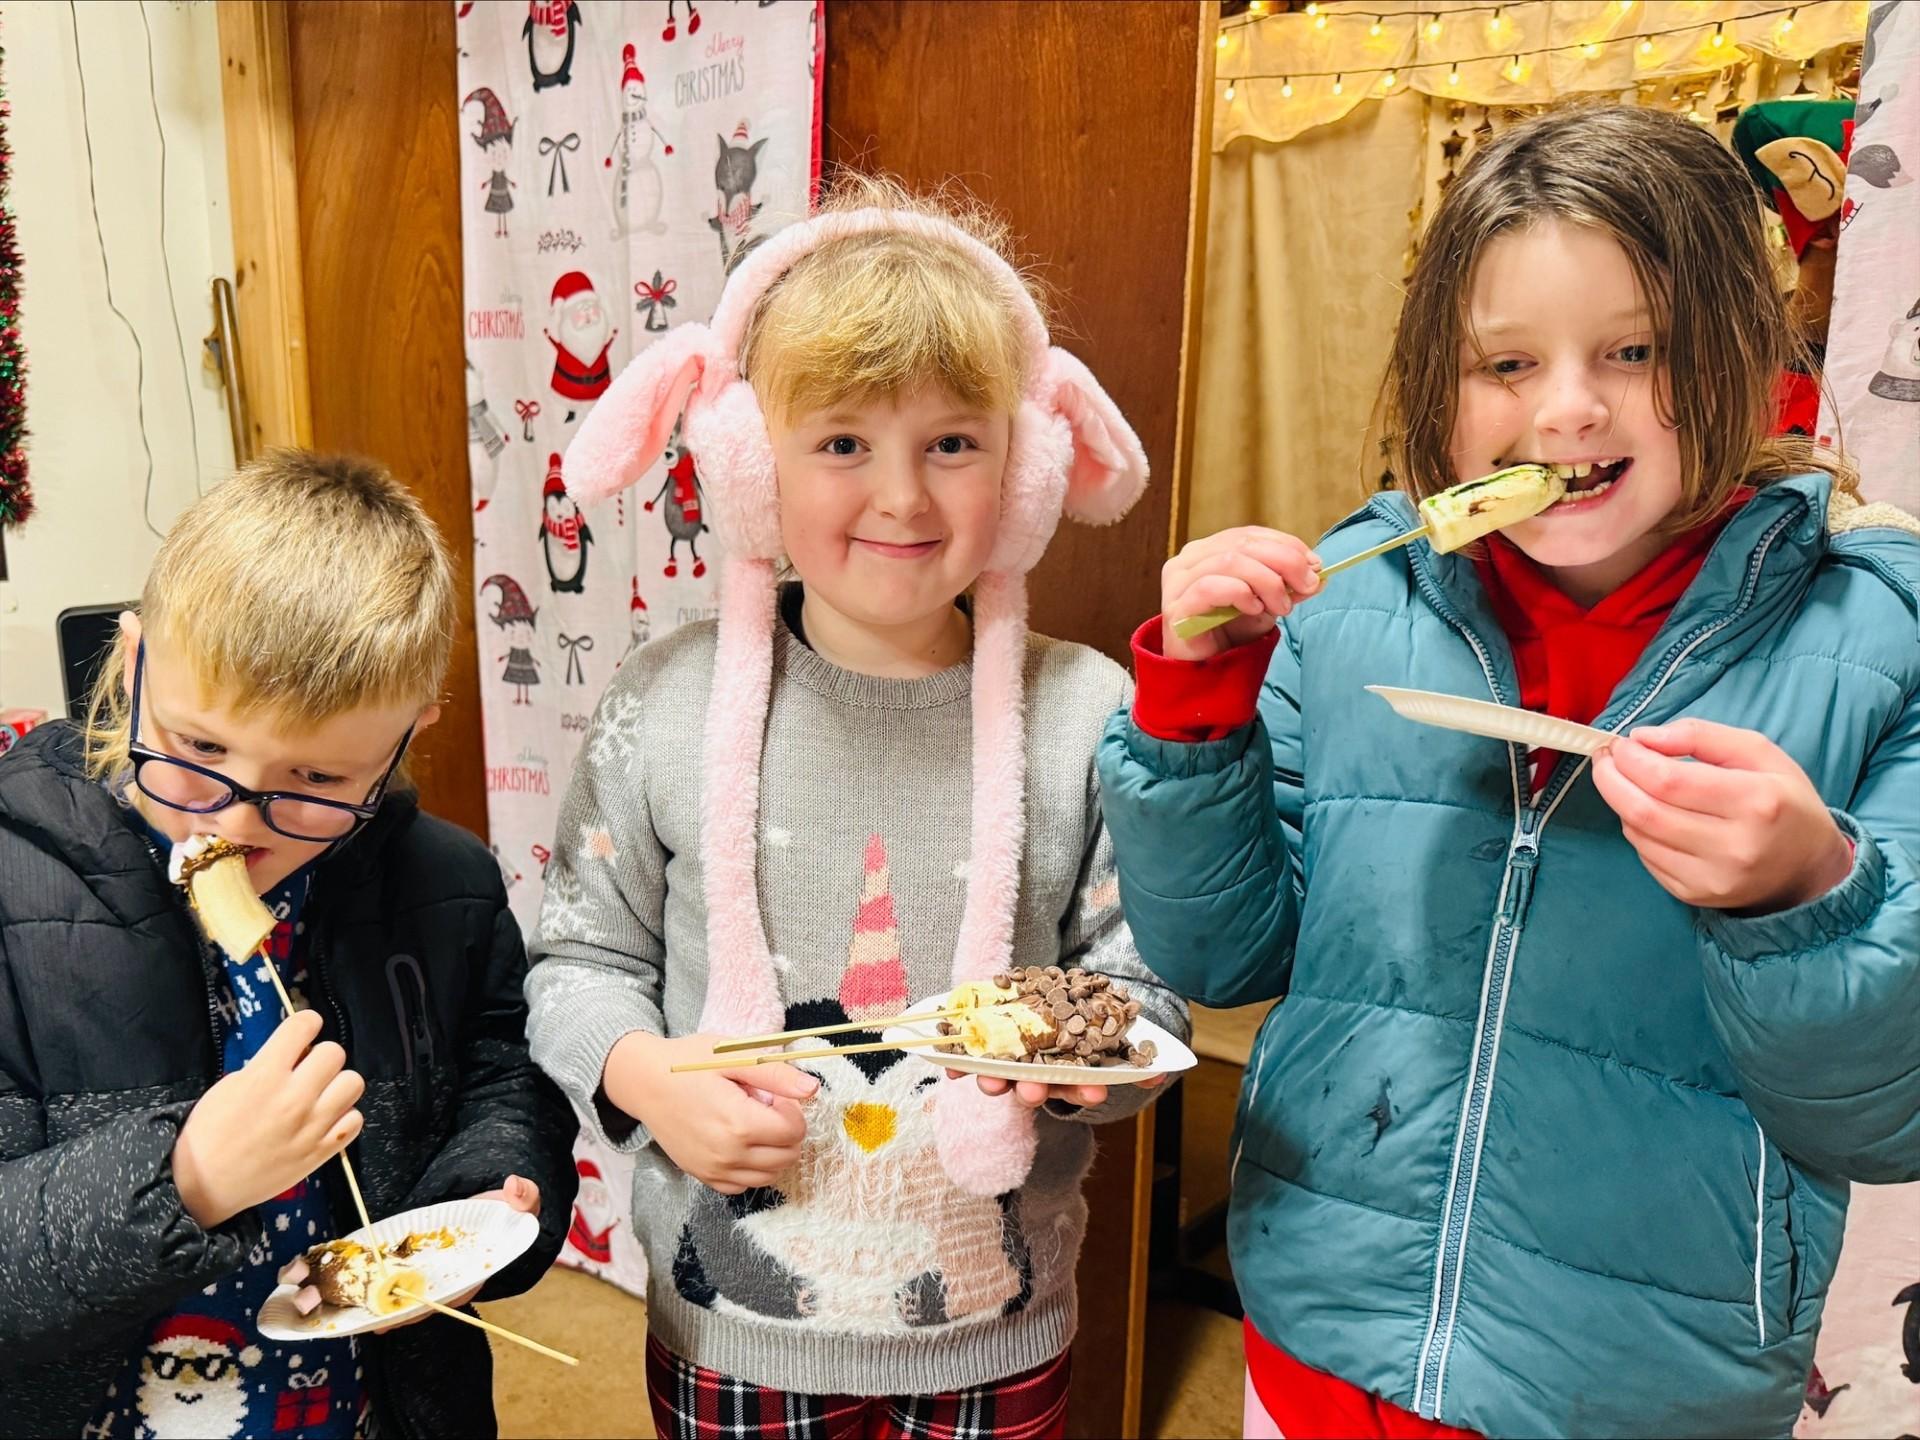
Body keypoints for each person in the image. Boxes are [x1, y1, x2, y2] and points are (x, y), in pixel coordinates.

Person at [1097, 105, 1920, 1440]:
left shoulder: (1875, 640)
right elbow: (1217, 953)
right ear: (1439, 386)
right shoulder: (1352, 612)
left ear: (1734, 355)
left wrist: (1806, 888)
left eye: (1635, 350)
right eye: (1507, 362)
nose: (1567, 407)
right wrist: (1195, 705)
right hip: (1315, 1349)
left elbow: (1884, 1117)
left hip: (1640, 1392)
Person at [525, 176, 1188, 1440]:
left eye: (953, 442)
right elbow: (577, 958)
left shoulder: (1086, 710)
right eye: (841, 443)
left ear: (1031, 468)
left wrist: (1072, 1071)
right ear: (746, 465)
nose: (901, 498)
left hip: (999, 1321)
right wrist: (646, 1076)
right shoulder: (660, 700)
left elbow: (1142, 986)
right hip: (731, 1323)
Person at [0, 452, 575, 1438]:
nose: (235, 815)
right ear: (134, 663)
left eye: (313, 776)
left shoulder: (450, 887)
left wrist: (493, 1184)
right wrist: (184, 1181)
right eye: (198, 749)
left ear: (405, 735)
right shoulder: (16, 888)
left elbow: (502, 1081)